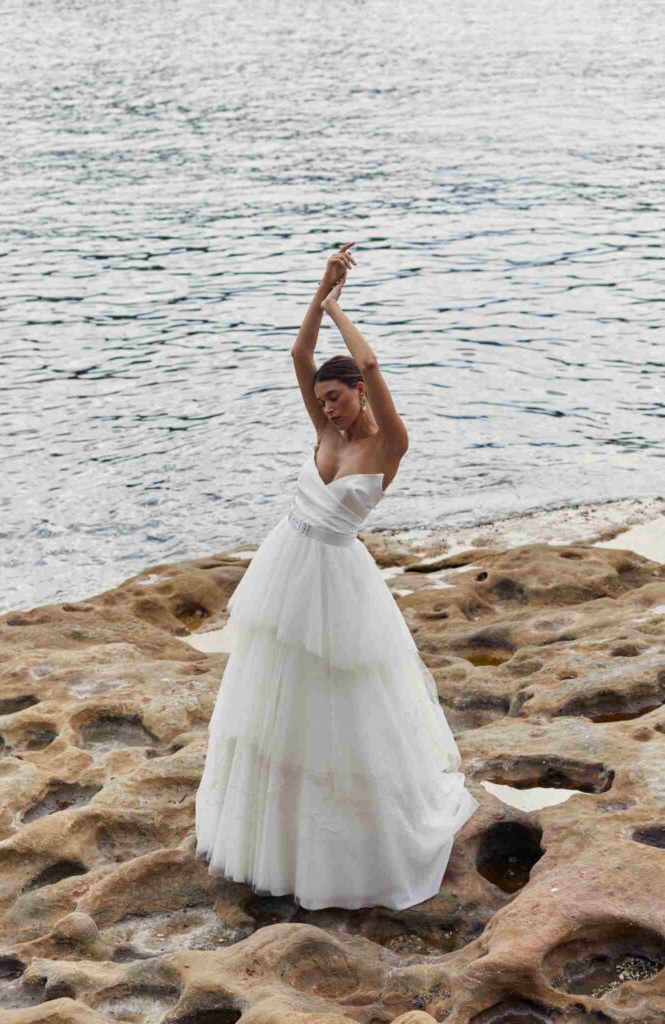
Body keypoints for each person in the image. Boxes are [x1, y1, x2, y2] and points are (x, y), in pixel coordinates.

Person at [194, 242, 478, 911]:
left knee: (342, 700)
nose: (328, 409)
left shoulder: (386, 444)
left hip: (336, 581)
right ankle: (280, 832)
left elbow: (373, 364)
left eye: (338, 398)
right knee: (274, 695)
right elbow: (297, 358)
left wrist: (338, 308)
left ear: (357, 394)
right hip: (285, 566)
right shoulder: (321, 424)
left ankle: (350, 840)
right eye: (321, 401)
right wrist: (319, 286)